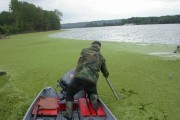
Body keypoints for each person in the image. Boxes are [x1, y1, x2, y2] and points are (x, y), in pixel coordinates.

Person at [63, 41, 109, 120]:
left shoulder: (84, 50)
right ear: (99, 48)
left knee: (69, 94)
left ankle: (68, 114)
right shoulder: (101, 58)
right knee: (92, 91)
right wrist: (106, 74)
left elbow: (81, 60)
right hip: (91, 82)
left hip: (79, 78)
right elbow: (105, 72)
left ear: (91, 46)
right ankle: (93, 96)